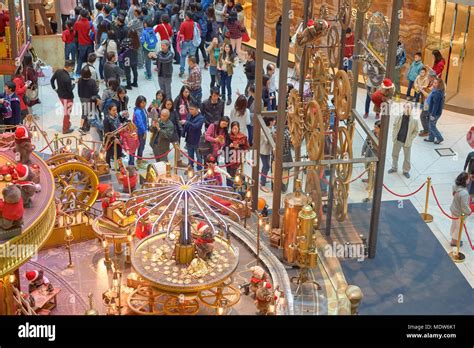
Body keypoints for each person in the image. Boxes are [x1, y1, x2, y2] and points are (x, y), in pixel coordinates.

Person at [387, 103, 419, 179]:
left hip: (407, 141)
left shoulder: (414, 119)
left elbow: (416, 131)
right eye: (406, 107)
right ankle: (394, 167)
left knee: (407, 158)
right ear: (403, 107)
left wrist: (411, 138)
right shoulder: (399, 116)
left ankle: (406, 171)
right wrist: (394, 135)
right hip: (398, 139)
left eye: (409, 107)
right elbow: (394, 126)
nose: (407, 109)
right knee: (394, 154)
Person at [50, 60, 75, 134]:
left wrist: (55, 88)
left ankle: (67, 123)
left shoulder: (58, 71)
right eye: (72, 68)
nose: (72, 69)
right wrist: (73, 84)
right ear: (69, 67)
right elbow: (70, 90)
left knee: (66, 112)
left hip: (60, 95)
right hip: (68, 98)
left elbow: (52, 80)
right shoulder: (67, 78)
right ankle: (65, 129)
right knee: (67, 113)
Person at [449, 172, 472, 247]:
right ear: (465, 181)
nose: (469, 179)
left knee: (454, 225)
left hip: (454, 209)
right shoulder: (464, 193)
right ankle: (454, 241)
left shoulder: (455, 186)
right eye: (468, 178)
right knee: (459, 228)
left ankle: (453, 237)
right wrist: (469, 211)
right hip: (460, 214)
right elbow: (464, 206)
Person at [225, 121, 249, 186]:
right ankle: (229, 188)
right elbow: (224, 147)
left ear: (239, 128)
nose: (234, 130)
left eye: (236, 128)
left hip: (238, 158)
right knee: (229, 174)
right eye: (233, 129)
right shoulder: (228, 136)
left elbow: (246, 148)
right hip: (229, 157)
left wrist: (238, 147)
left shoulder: (243, 137)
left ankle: (238, 188)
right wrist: (229, 146)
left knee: (238, 174)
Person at [182, 101, 205, 170]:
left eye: (192, 109)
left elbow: (196, 126)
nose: (190, 111)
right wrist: (183, 133)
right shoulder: (189, 115)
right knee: (190, 156)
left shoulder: (201, 118)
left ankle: (199, 171)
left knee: (199, 157)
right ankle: (190, 169)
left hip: (197, 140)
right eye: (189, 109)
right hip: (189, 139)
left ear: (197, 109)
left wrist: (187, 122)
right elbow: (186, 126)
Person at [74, 9, 96, 76]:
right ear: (87, 15)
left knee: (80, 59)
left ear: (80, 15)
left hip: (82, 44)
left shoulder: (77, 23)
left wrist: (77, 20)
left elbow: (75, 31)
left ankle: (78, 73)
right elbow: (94, 33)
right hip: (90, 43)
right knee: (89, 59)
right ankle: (89, 72)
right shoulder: (90, 23)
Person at [424, 77, 445, 145]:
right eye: (434, 82)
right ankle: (431, 138)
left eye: (436, 83)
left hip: (435, 113)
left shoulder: (437, 93)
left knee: (432, 126)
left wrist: (433, 115)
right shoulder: (436, 90)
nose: (434, 84)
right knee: (431, 124)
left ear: (439, 84)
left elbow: (436, 105)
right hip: (434, 111)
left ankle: (439, 138)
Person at [78, 66, 99, 134]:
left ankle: (85, 126)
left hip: (82, 98)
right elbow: (95, 92)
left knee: (85, 112)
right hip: (90, 99)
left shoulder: (80, 80)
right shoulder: (92, 81)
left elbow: (79, 91)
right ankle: (83, 127)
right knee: (89, 113)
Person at [178, 11, 197, 78]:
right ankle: (191, 71)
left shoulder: (183, 24)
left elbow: (181, 33)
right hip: (193, 42)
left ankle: (182, 70)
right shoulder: (195, 24)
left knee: (183, 56)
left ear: (188, 16)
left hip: (185, 42)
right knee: (191, 57)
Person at [133, 96, 149, 169]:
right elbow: (140, 123)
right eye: (142, 103)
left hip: (143, 130)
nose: (144, 104)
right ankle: (139, 162)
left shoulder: (143, 109)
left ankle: (140, 159)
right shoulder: (138, 111)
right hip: (140, 132)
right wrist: (144, 131)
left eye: (144, 102)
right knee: (141, 146)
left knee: (142, 145)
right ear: (138, 103)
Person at [260, 117, 275, 193]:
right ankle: (262, 183)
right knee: (266, 166)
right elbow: (266, 141)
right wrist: (273, 137)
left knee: (265, 166)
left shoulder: (271, 128)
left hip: (268, 151)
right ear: (269, 122)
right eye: (273, 120)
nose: (274, 122)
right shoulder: (263, 130)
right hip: (263, 151)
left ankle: (263, 179)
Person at [193, 4, 209, 68]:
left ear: (196, 9)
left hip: (197, 34)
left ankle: (197, 63)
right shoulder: (204, 15)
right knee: (202, 48)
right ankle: (206, 62)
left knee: (196, 48)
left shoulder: (194, 16)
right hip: (203, 34)